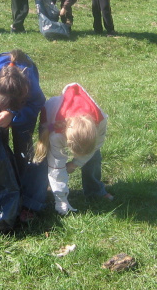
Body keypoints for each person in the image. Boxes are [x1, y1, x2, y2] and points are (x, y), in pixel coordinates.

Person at [0, 50, 47, 220]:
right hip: (0, 94)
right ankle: (3, 186)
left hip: (24, 104)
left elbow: (37, 102)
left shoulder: (28, 79)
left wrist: (13, 116)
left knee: (25, 147)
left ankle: (27, 192)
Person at [34, 83, 113, 215]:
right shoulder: (57, 135)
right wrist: (61, 200)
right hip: (50, 119)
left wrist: (76, 163)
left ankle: (95, 191)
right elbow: (56, 168)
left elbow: (97, 144)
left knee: (94, 157)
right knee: (46, 159)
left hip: (79, 130)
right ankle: (42, 193)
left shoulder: (100, 121)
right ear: (67, 141)